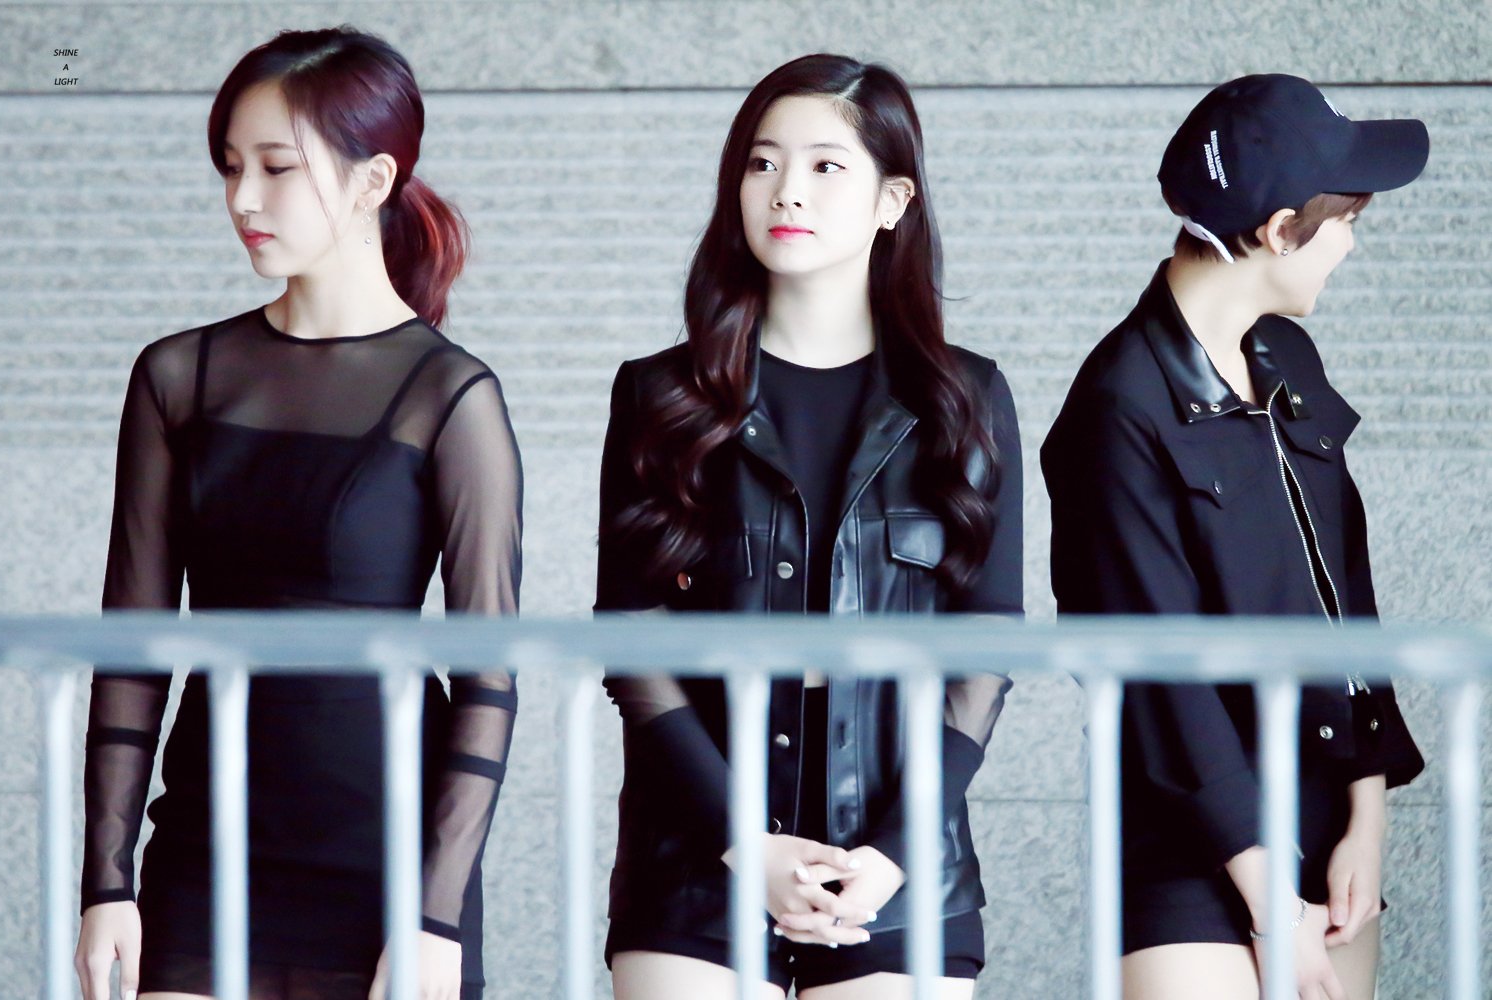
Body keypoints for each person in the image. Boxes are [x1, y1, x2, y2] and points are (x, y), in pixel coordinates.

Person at [73, 27, 521, 1000]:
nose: (243, 198)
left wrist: (436, 913)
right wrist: (106, 880)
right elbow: (131, 645)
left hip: (389, 862)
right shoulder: (178, 375)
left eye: (276, 167)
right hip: (205, 846)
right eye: (231, 166)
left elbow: (489, 677)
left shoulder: (449, 396)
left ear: (373, 181)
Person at [594, 53, 1023, 1000]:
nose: (787, 189)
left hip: (899, 874)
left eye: (827, 165)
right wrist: (743, 840)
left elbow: (987, 645)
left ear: (892, 200)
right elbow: (632, 639)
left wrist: (894, 853)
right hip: (696, 860)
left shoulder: (967, 399)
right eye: (763, 162)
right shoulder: (659, 396)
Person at [1040, 75, 1427, 1000]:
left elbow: (1348, 597)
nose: (1351, 242)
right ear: (1280, 230)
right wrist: (1267, 903)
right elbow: (1155, 676)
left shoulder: (1287, 356)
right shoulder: (1117, 407)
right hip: (1192, 850)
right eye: (1345, 221)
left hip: (1330, 826)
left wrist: (1366, 821)